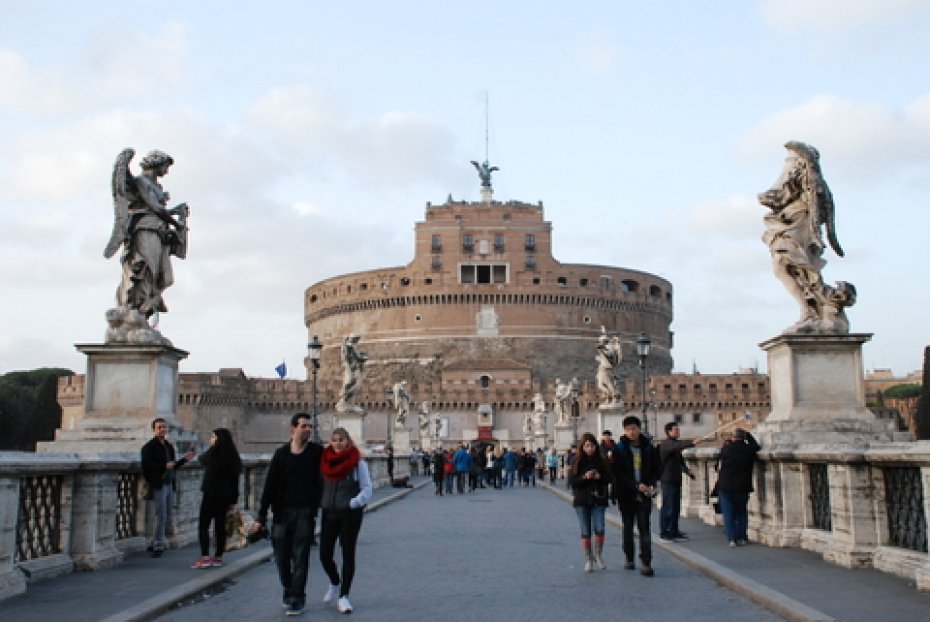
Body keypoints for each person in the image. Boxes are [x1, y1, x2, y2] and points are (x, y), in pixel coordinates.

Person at [253, 413, 323, 616]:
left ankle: (297, 597)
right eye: (304, 426)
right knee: (281, 557)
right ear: (293, 429)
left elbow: (333, 466)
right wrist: (261, 516)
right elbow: (270, 486)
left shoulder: (316, 453)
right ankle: (288, 588)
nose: (308, 430)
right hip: (282, 513)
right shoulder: (281, 454)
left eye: (310, 426)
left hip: (304, 513)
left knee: (300, 557)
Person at [106, 149, 189, 318]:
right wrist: (176, 223)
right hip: (144, 230)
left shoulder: (156, 186)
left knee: (163, 276)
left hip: (158, 232)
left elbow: (157, 210)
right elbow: (155, 208)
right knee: (144, 268)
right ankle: (135, 308)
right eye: (165, 166)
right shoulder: (141, 181)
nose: (166, 171)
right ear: (156, 163)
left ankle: (148, 303)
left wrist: (176, 212)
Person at [319, 427, 372, 615]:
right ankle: (335, 582)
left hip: (350, 514)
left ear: (348, 441)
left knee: (348, 554)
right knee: (324, 555)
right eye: (334, 440)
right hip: (329, 513)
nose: (338, 443)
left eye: (341, 439)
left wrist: (353, 503)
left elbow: (367, 489)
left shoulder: (358, 463)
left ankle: (344, 596)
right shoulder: (325, 462)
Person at [610, 415, 660, 576]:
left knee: (645, 528)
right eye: (628, 429)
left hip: (644, 494)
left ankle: (646, 562)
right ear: (624, 431)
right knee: (628, 528)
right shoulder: (618, 449)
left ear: (640, 429)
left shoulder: (649, 448)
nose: (632, 432)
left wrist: (650, 483)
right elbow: (617, 473)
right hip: (626, 494)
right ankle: (629, 557)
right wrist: (635, 485)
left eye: (634, 428)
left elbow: (657, 468)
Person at [141, 417, 195, 557]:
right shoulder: (149, 447)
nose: (163, 429)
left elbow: (173, 466)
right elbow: (146, 466)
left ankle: (156, 541)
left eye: (164, 427)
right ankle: (158, 545)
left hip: (169, 484)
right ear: (154, 429)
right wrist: (163, 467)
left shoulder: (169, 446)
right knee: (161, 515)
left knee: (167, 515)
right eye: (159, 427)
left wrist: (185, 459)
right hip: (159, 484)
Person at [191, 428, 242, 569]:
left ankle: (205, 557)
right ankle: (218, 556)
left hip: (211, 494)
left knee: (204, 525)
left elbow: (201, 460)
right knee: (220, 527)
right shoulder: (233, 456)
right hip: (226, 496)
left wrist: (212, 448)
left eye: (213, 436)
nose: (211, 439)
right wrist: (234, 501)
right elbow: (235, 481)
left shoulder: (213, 453)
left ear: (218, 439)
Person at [569, 433, 612, 572]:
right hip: (582, 500)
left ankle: (598, 555)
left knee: (600, 528)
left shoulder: (602, 461)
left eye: (592, 445)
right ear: (583, 447)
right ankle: (588, 559)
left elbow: (610, 478)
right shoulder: (576, 462)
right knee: (585, 530)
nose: (590, 448)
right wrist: (584, 477)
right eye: (587, 446)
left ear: (595, 446)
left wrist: (599, 476)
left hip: (598, 499)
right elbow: (572, 482)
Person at [658, 422, 703, 542]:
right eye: (676, 430)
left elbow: (679, 461)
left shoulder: (673, 445)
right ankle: (665, 532)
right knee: (668, 507)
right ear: (669, 432)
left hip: (675, 479)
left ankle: (674, 530)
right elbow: (677, 446)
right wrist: (692, 442)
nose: (678, 432)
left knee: (676, 507)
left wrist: (687, 471)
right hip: (668, 479)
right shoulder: (666, 444)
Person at [716, 428, 760, 547]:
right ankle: (742, 537)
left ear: (732, 437)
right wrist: (749, 436)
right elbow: (757, 446)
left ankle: (732, 538)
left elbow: (718, 463)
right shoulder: (748, 449)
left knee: (728, 513)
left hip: (725, 485)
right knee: (741, 512)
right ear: (743, 437)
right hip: (742, 485)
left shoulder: (725, 449)